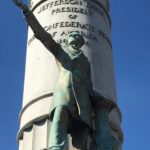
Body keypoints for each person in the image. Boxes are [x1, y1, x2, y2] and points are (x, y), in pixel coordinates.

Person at [13, 0, 102, 149]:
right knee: (59, 120)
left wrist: (97, 100)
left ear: (80, 42)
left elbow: (88, 84)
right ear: (67, 40)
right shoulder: (62, 52)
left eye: (76, 36)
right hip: (64, 94)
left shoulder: (85, 62)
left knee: (82, 135)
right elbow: (43, 36)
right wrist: (28, 13)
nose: (74, 36)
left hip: (83, 101)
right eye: (72, 35)